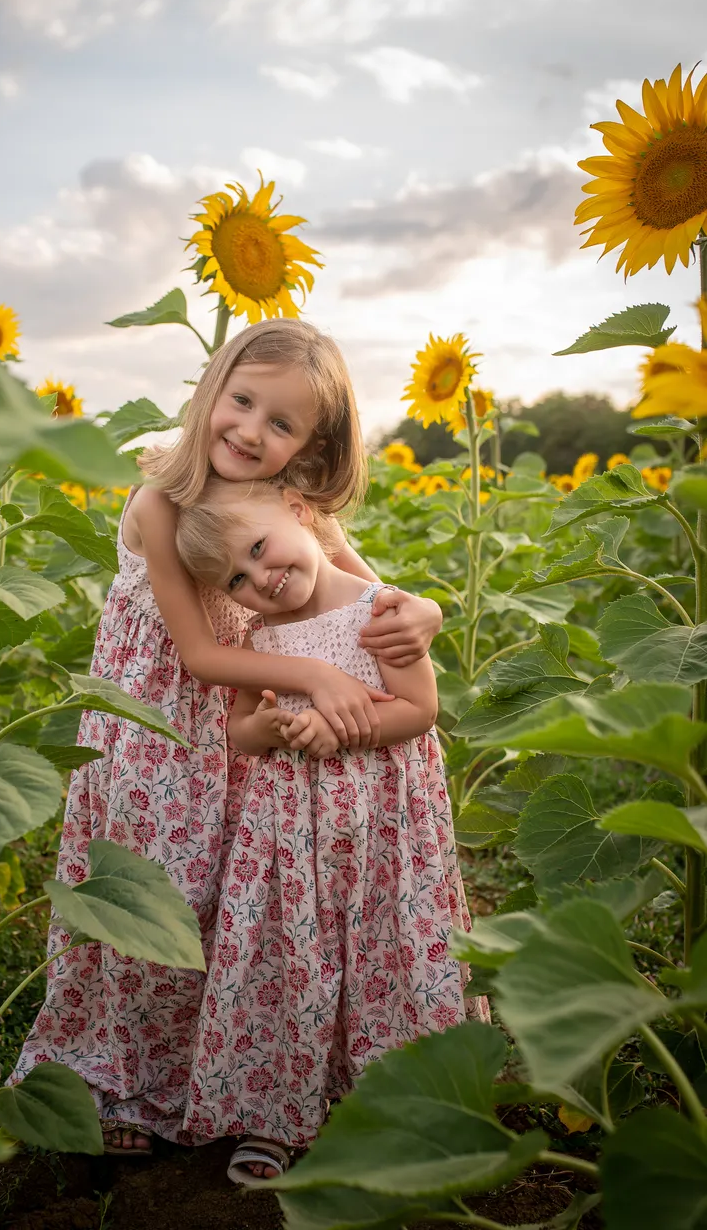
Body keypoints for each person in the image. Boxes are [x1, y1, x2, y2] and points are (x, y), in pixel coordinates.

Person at [10, 318, 444, 1154]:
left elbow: (366, 588)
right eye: (241, 402)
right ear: (214, 389)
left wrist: (424, 609)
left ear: (309, 445)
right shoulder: (160, 502)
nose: (251, 431)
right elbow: (203, 653)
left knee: (229, 897)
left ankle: (217, 1072)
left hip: (250, 724)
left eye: (281, 424)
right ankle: (122, 1086)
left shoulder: (295, 507)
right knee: (154, 889)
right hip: (158, 722)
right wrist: (316, 677)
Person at [174, 478, 487, 1186]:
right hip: (291, 836)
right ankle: (275, 1114)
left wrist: (334, 732)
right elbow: (241, 730)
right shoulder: (259, 639)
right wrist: (273, 725)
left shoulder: (381, 611)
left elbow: (419, 709)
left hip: (381, 829)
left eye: (259, 549)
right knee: (290, 958)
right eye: (238, 579)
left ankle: (403, 1111)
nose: (263, 578)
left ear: (298, 512)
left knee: (389, 950)